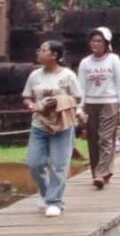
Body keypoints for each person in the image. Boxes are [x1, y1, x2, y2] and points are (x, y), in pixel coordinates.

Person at [22, 40, 82, 217]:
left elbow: (78, 98)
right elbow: (27, 96)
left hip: (62, 125)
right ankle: (46, 191)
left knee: (58, 165)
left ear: (54, 55)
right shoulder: (35, 75)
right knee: (34, 163)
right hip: (39, 124)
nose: (39, 53)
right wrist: (32, 105)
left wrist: (60, 101)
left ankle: (54, 201)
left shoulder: (68, 75)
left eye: (43, 50)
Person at [77, 27, 120, 189]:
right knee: (92, 140)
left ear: (106, 43)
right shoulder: (85, 62)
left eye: (99, 41)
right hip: (91, 104)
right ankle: (98, 173)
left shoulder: (113, 60)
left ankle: (102, 172)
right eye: (93, 40)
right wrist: (79, 108)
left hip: (109, 103)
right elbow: (81, 87)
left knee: (105, 138)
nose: (95, 43)